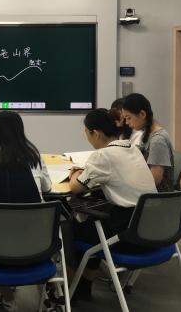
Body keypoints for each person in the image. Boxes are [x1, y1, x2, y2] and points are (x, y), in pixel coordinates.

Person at [66, 108, 157, 300]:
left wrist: (75, 173)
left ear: (96, 133)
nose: (86, 137)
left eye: (86, 132)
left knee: (72, 229)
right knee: (94, 226)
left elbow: (75, 187)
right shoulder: (131, 148)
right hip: (152, 227)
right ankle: (84, 285)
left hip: (130, 234)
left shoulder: (103, 156)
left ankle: (71, 289)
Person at [0, 110, 51, 311]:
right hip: (36, 244)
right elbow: (47, 188)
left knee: (1, 234)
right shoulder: (35, 158)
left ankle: (7, 296)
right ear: (20, 131)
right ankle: (42, 295)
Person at [121, 93, 175, 192]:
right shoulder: (148, 134)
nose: (127, 122)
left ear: (142, 114)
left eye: (129, 118)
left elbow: (155, 180)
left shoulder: (157, 140)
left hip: (158, 196)